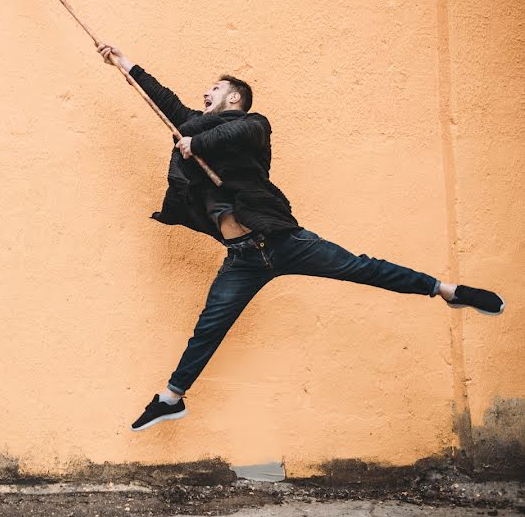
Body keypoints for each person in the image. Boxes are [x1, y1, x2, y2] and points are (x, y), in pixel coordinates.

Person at [96, 44, 505, 432]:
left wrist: (196, 142)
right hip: (243, 258)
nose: (206, 92)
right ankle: (171, 399)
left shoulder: (253, 126)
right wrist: (125, 63)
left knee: (363, 268)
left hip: (283, 241)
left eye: (215, 88)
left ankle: (446, 290)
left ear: (235, 98)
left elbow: (218, 136)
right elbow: (167, 104)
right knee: (209, 327)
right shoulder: (197, 126)